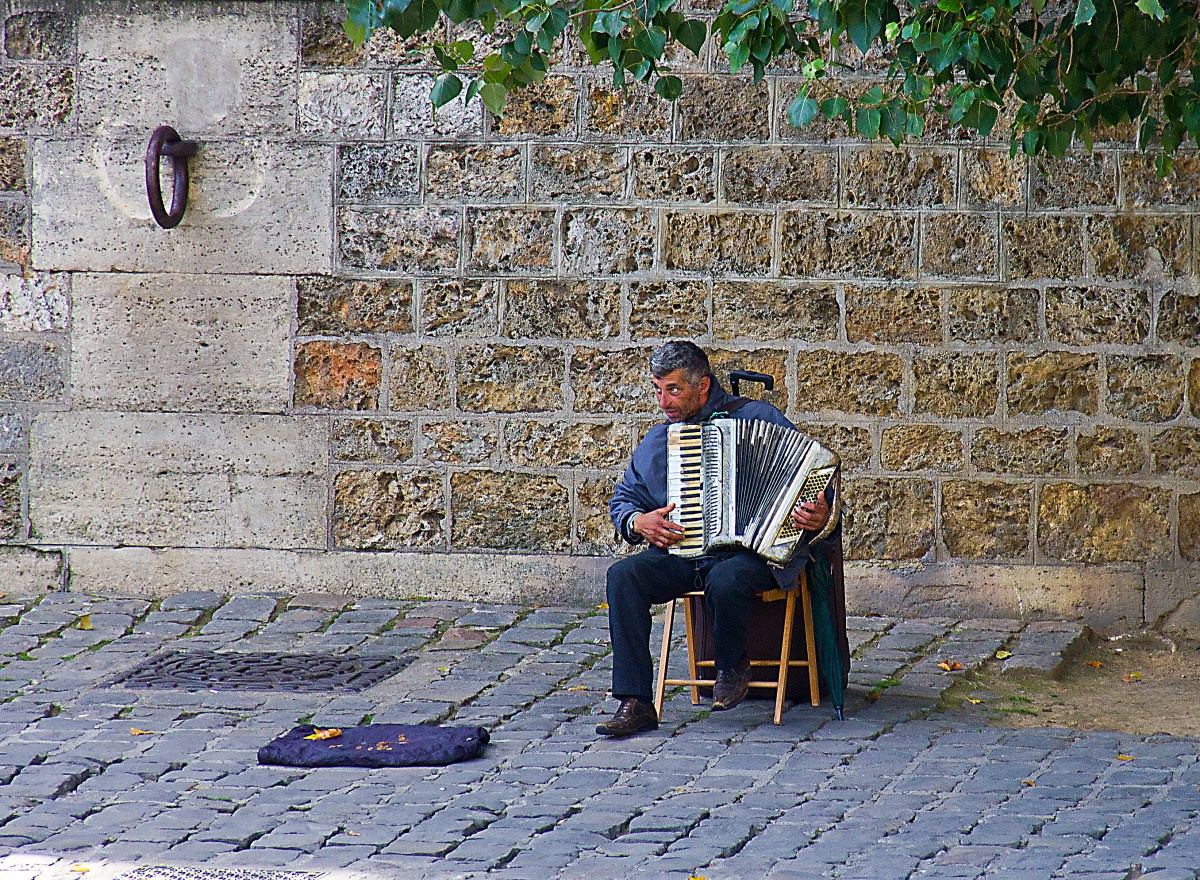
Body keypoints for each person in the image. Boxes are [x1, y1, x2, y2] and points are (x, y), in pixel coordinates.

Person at [597, 341, 833, 737]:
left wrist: (820, 512)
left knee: (726, 579)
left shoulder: (760, 417)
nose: (662, 402)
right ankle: (636, 701)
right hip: (685, 555)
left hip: (752, 555)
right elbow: (624, 499)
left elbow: (813, 478)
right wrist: (639, 522)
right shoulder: (660, 441)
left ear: (703, 385)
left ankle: (732, 666)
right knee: (624, 577)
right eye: (657, 389)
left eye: (672, 389)